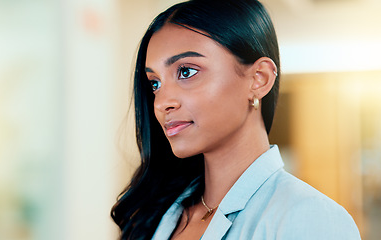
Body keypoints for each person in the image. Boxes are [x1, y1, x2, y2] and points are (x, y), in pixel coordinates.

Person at [111, 0, 361, 239]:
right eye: (155, 83)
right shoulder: (158, 214)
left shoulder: (310, 217)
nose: (162, 102)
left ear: (259, 79)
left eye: (186, 72)